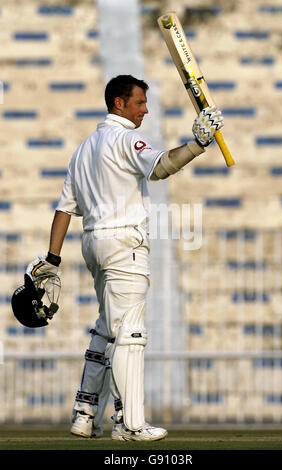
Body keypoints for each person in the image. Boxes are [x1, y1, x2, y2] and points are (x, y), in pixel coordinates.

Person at [26, 75, 223, 441]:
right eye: (139, 103)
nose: (145, 110)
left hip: (93, 246)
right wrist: (198, 143)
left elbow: (64, 209)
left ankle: (85, 414)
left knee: (107, 327)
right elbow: (160, 166)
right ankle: (130, 424)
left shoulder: (83, 149)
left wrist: (52, 258)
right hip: (123, 244)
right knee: (130, 334)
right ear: (119, 103)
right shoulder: (127, 138)